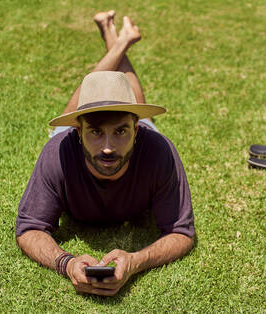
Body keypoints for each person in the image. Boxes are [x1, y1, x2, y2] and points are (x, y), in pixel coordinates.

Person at [15, 11, 195, 297]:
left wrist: (136, 261)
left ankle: (118, 39)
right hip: (71, 136)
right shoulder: (59, 150)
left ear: (137, 129)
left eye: (121, 131)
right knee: (82, 107)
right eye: (96, 132)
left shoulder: (160, 151)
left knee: (132, 98)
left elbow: (182, 233)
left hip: (141, 132)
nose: (108, 147)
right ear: (78, 132)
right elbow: (29, 229)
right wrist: (66, 263)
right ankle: (119, 40)